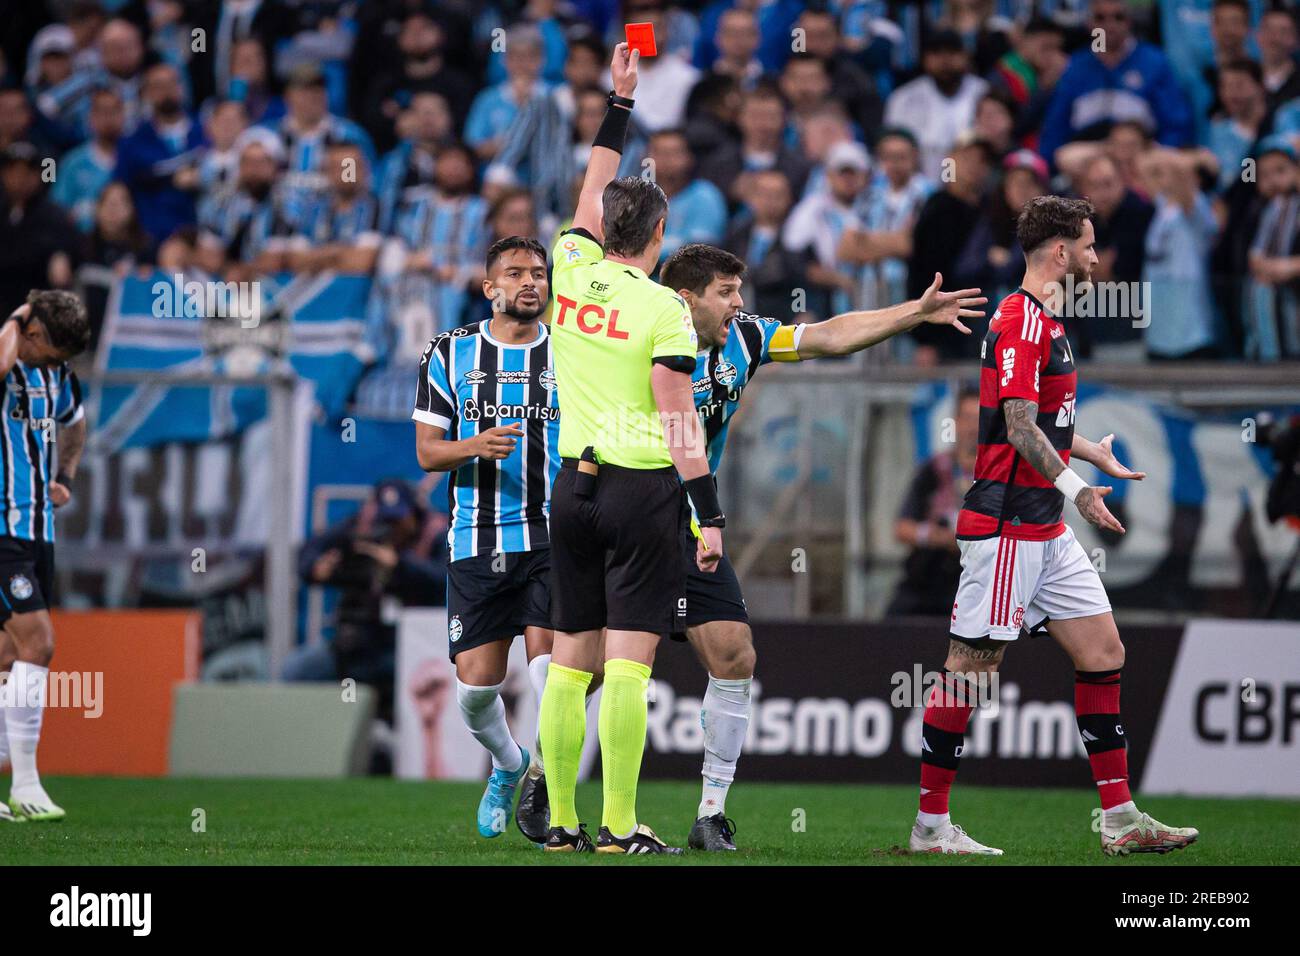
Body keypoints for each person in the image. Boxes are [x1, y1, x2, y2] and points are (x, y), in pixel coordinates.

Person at [656, 244, 983, 849]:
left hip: (694, 523)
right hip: (631, 518)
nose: (738, 304)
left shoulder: (745, 339)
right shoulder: (641, 332)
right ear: (686, 298)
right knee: (593, 668)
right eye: (726, 292)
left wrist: (913, 313)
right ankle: (545, 784)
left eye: (739, 291)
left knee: (734, 656)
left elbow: (830, 335)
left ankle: (709, 814)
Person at [908, 195, 1198, 857]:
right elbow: (1015, 426)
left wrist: (1088, 450)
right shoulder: (1022, 321)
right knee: (971, 668)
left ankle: (1120, 819)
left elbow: (1040, 423)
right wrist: (1078, 490)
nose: (1097, 257)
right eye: (1090, 246)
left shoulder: (1047, 320)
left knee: (1103, 654)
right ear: (1061, 251)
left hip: (1044, 527)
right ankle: (930, 827)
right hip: (1008, 524)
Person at [538, 42, 721, 855]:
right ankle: (618, 826)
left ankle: (560, 825)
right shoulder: (664, 311)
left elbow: (589, 182)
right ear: (658, 233)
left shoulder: (568, 267)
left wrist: (619, 102)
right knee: (628, 667)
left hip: (568, 490)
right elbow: (680, 419)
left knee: (568, 663)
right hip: (639, 491)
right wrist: (707, 516)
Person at [412, 235, 560, 840]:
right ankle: (509, 764)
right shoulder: (449, 353)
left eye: (539, 273)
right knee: (475, 690)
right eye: (516, 273)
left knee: (550, 673)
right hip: (476, 538)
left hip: (554, 534)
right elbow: (426, 453)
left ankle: (547, 785)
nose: (531, 282)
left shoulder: (573, 352)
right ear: (490, 288)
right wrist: (473, 445)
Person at [0, 289, 91, 823]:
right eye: (52, 352)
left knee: (8, 661)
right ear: (31, 333)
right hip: (1, 533)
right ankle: (28, 784)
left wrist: (66, 475)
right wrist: (17, 314)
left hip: (39, 532)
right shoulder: (10, 359)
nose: (57, 365)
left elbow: (75, 421)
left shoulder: (53, 374)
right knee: (40, 643)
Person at [288, 479, 447, 721]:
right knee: (295, 672)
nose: (391, 528)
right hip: (357, 644)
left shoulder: (435, 534)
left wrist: (400, 566)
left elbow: (445, 580)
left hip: (409, 649)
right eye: (386, 520)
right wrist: (316, 568)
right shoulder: (362, 529)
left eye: (398, 520)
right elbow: (309, 552)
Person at [889, 386, 981, 618]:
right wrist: (938, 537)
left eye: (980, 419)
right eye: (968, 418)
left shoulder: (998, 476)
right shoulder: (933, 470)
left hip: (976, 583)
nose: (973, 427)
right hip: (927, 580)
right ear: (956, 422)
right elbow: (902, 529)